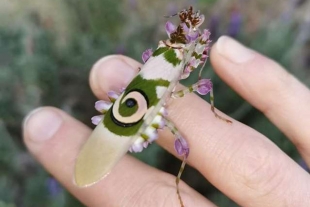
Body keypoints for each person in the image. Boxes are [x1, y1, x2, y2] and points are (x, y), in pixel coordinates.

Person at [23, 36, 310, 207]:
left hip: (146, 110)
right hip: (140, 110)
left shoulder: (173, 59)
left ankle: (174, 185)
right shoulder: (168, 57)